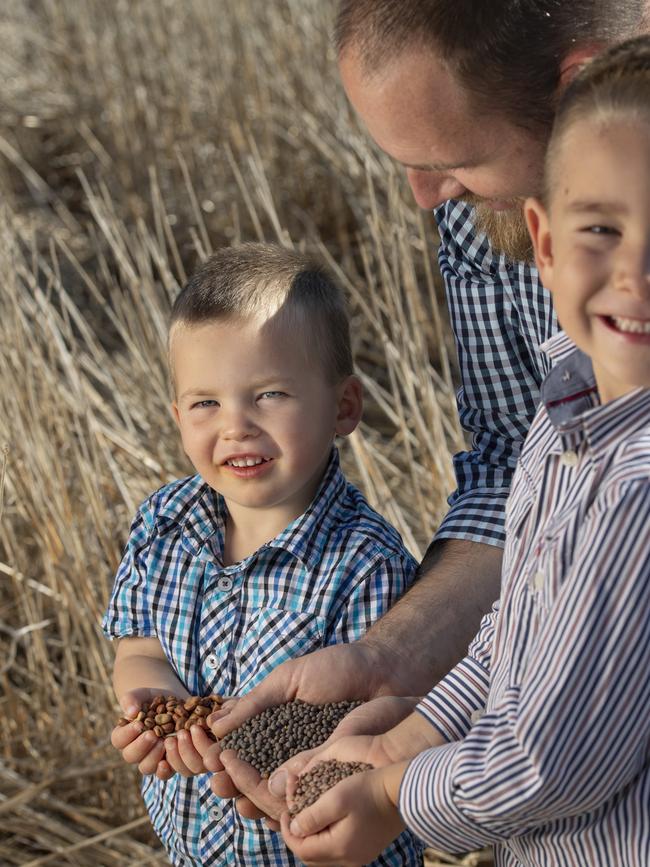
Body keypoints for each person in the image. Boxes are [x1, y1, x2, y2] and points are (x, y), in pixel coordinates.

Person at [205, 0, 650, 824]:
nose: (423, 197)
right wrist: (396, 673)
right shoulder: (489, 217)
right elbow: (516, 494)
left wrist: (398, 791)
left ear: (576, 87)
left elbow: (548, 761)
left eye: (455, 161)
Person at [102, 243, 422, 866]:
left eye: (269, 394)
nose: (236, 426)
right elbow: (137, 645)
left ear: (344, 407)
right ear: (177, 417)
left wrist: (252, 747)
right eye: (205, 403)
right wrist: (158, 706)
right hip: (193, 851)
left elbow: (376, 734)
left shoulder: (365, 564)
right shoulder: (165, 523)